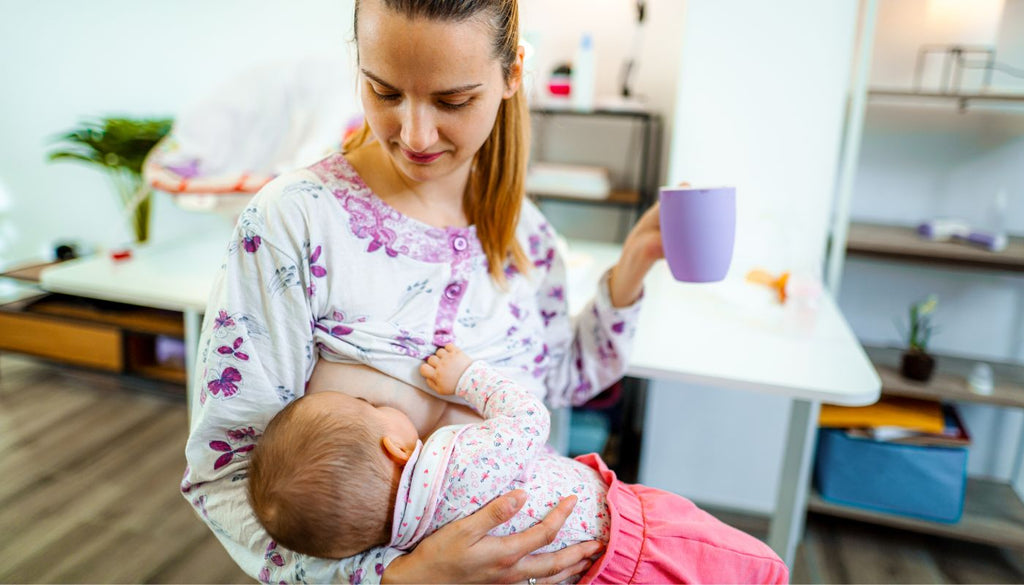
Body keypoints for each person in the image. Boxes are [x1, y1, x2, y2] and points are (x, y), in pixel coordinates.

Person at [182, 0, 667, 582]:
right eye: (383, 92)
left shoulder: (526, 236)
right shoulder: (295, 224)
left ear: (512, 74)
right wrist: (399, 578)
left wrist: (632, 268)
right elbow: (227, 476)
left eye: (452, 101)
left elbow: (563, 377)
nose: (414, 134)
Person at [247, 344, 790, 584]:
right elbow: (530, 418)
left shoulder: (401, 550)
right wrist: (465, 378)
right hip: (639, 536)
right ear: (397, 447)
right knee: (759, 569)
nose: (376, 404)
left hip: (589, 577)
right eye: (367, 408)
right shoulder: (459, 458)